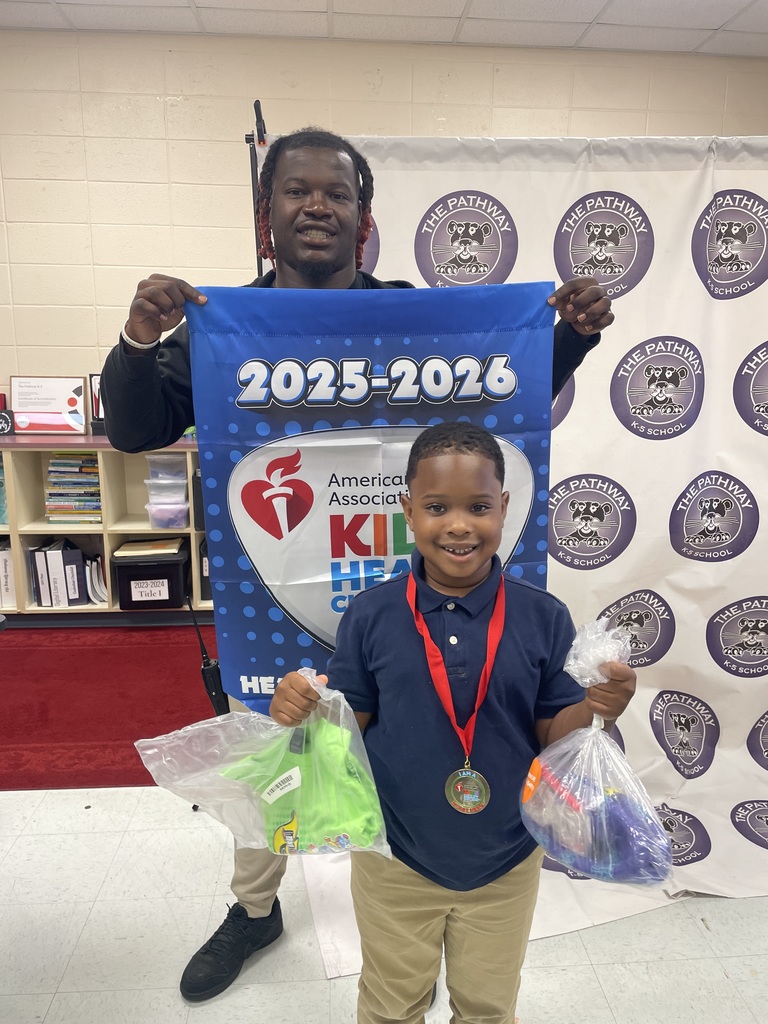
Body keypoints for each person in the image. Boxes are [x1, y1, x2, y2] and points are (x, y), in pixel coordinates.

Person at [100, 125, 616, 1003]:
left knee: (426, 745)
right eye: (296, 191)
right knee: (283, 763)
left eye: (336, 193)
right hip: (277, 602)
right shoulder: (222, 330)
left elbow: (502, 380)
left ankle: (434, 878)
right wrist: (141, 341)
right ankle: (255, 909)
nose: (317, 206)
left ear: (363, 217)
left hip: (415, 597)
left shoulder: (407, 312)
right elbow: (133, 428)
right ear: (266, 215)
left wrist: (564, 335)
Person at [271, 421, 637, 1024]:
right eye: (438, 507)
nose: (460, 524)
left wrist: (594, 708)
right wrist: (302, 709)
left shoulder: (544, 618)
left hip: (506, 858)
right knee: (391, 1003)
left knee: (489, 1005)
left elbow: (553, 735)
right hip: (395, 856)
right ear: (408, 512)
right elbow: (348, 731)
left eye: (479, 507)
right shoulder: (371, 615)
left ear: (505, 509)